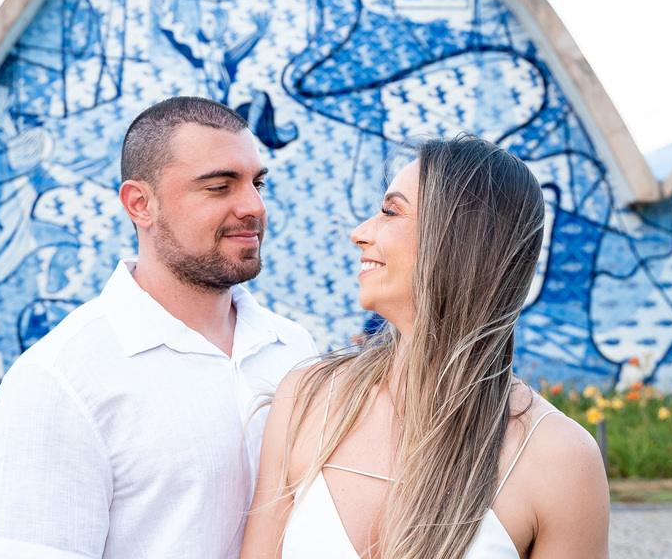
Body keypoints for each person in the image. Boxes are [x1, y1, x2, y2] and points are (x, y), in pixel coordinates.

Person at [0, 96, 317, 559]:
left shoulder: (295, 350)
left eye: (257, 183)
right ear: (140, 204)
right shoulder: (59, 380)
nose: (253, 206)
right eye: (220, 187)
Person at [240, 135, 610, 559]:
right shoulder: (306, 398)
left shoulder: (560, 457)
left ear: (460, 239)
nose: (358, 233)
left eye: (390, 212)